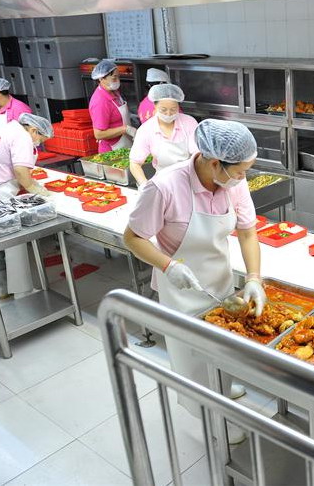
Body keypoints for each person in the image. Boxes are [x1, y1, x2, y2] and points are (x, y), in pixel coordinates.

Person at [124, 119, 266, 438]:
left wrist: (254, 278)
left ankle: (221, 388)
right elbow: (132, 238)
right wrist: (168, 266)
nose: (243, 177)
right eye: (240, 171)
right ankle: (209, 418)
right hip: (181, 290)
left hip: (219, 281)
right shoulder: (165, 186)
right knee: (192, 358)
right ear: (215, 163)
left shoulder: (233, 182)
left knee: (222, 349)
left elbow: (247, 231)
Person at [0, 113, 54, 299]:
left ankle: (3, 288)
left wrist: (31, 183)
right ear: (34, 130)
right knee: (13, 243)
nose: (39, 143)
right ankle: (21, 291)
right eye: (40, 139)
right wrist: (36, 189)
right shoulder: (22, 137)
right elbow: (21, 172)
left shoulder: (8, 129)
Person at [129, 83, 198, 188]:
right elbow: (135, 163)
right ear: (155, 106)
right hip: (162, 184)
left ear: (178, 107)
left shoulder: (189, 123)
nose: (168, 113)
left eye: (173, 109)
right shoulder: (146, 129)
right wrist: (144, 185)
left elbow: (198, 155)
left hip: (189, 181)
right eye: (163, 110)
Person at [88, 59, 137, 153]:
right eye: (114, 78)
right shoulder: (100, 101)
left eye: (118, 77)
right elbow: (98, 134)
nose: (118, 81)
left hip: (125, 143)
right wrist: (125, 129)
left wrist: (132, 117)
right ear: (101, 78)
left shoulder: (114, 92)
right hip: (112, 150)